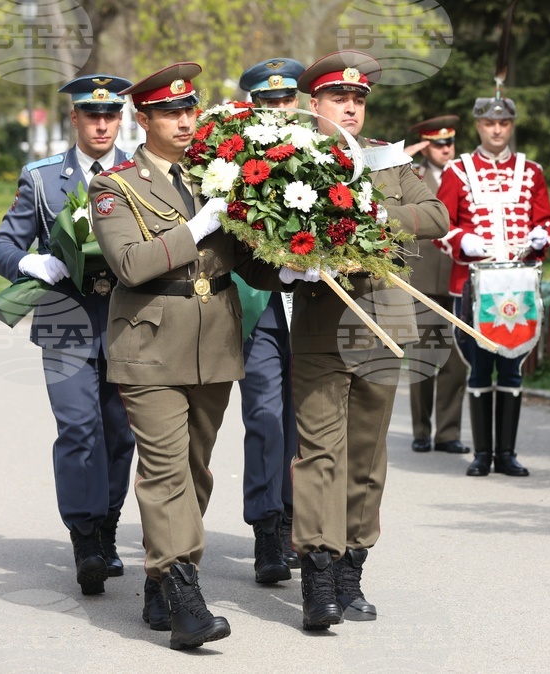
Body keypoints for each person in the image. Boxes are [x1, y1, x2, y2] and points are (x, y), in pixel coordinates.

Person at [90, 62, 313, 650]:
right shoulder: (115, 186)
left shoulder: (217, 177)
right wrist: (198, 225)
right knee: (164, 468)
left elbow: (247, 261)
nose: (185, 121)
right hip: (149, 344)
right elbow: (132, 265)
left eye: (190, 109)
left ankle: (159, 578)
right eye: (170, 112)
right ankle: (186, 595)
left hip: (214, 342)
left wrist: (290, 264)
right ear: (143, 119)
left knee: (193, 470)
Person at [290, 50, 449, 630]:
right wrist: (287, 264)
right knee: (318, 455)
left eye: (358, 100)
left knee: (367, 456)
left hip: (382, 320)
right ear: (316, 104)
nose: (351, 108)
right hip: (317, 322)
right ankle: (317, 572)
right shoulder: (288, 159)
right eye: (340, 99)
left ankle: (352, 566)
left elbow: (435, 216)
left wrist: (367, 207)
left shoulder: (386, 161)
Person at [0, 74, 137, 597]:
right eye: (91, 115)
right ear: (73, 118)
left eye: (110, 115)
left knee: (121, 435)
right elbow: (2, 246)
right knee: (78, 429)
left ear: (121, 119)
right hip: (66, 322)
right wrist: (29, 260)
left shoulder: (138, 174)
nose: (101, 123)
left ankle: (108, 526)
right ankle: (84, 538)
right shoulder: (43, 177)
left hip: (128, 324)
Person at [435, 96, 550, 478]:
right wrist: (462, 241)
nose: (497, 130)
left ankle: (507, 453)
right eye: (489, 123)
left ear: (512, 125)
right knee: (479, 368)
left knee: (512, 367)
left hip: (518, 286)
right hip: (474, 285)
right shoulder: (457, 171)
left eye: (503, 123)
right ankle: (482, 454)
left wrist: (541, 235)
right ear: (478, 126)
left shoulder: (531, 171)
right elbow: (441, 226)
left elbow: (549, 221)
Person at [235, 57, 306, 583]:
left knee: (304, 420)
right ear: (253, 106)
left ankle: (295, 525)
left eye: (286, 100)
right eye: (268, 102)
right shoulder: (229, 155)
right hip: (258, 302)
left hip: (308, 304)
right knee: (265, 416)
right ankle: (266, 529)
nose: (279, 110)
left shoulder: (321, 154)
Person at [404, 115, 469, 455]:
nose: (447, 149)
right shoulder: (412, 175)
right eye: (440, 143)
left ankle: (448, 433)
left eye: (451, 143)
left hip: (458, 279)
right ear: (426, 146)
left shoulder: (467, 175)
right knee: (423, 358)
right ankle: (420, 429)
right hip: (425, 279)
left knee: (456, 361)